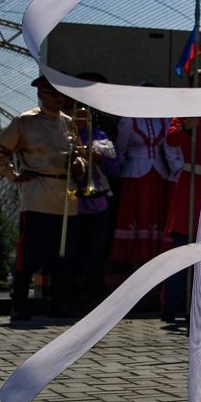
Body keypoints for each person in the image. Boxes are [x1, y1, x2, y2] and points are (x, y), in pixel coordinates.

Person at [0, 76, 84, 323]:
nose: (58, 98)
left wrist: (80, 164)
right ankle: (20, 304)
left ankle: (58, 303)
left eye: (60, 93)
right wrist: (13, 174)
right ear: (41, 94)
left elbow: (80, 153)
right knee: (29, 254)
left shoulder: (69, 123)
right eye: (52, 93)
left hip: (66, 197)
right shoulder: (25, 121)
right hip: (37, 195)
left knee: (64, 255)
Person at [161, 73, 201, 324]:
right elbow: (171, 138)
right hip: (190, 185)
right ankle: (172, 304)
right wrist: (186, 126)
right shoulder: (185, 112)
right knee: (182, 248)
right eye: (198, 83)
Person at [111, 104, 180, 280]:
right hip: (134, 172)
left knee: (154, 215)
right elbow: (120, 149)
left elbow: (169, 145)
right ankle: (133, 263)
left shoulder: (163, 120)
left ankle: (153, 260)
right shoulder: (129, 120)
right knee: (137, 214)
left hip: (158, 173)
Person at [68, 101, 120, 309]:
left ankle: (94, 287)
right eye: (78, 114)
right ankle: (73, 291)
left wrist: (100, 158)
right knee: (74, 247)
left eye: (85, 113)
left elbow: (115, 168)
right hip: (72, 198)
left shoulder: (99, 136)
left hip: (98, 197)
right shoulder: (66, 133)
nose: (82, 118)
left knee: (97, 247)